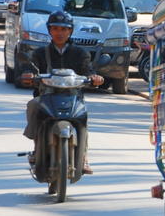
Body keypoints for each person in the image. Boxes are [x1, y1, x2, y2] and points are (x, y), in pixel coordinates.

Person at [19, 10, 104, 174]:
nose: (60, 33)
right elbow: (28, 69)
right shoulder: (40, 53)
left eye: (64, 29)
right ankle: (37, 149)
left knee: (83, 117)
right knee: (33, 105)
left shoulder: (81, 53)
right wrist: (27, 75)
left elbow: (88, 71)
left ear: (70, 31)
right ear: (50, 30)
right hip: (46, 97)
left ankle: (84, 158)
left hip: (73, 98)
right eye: (56, 29)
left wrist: (94, 78)